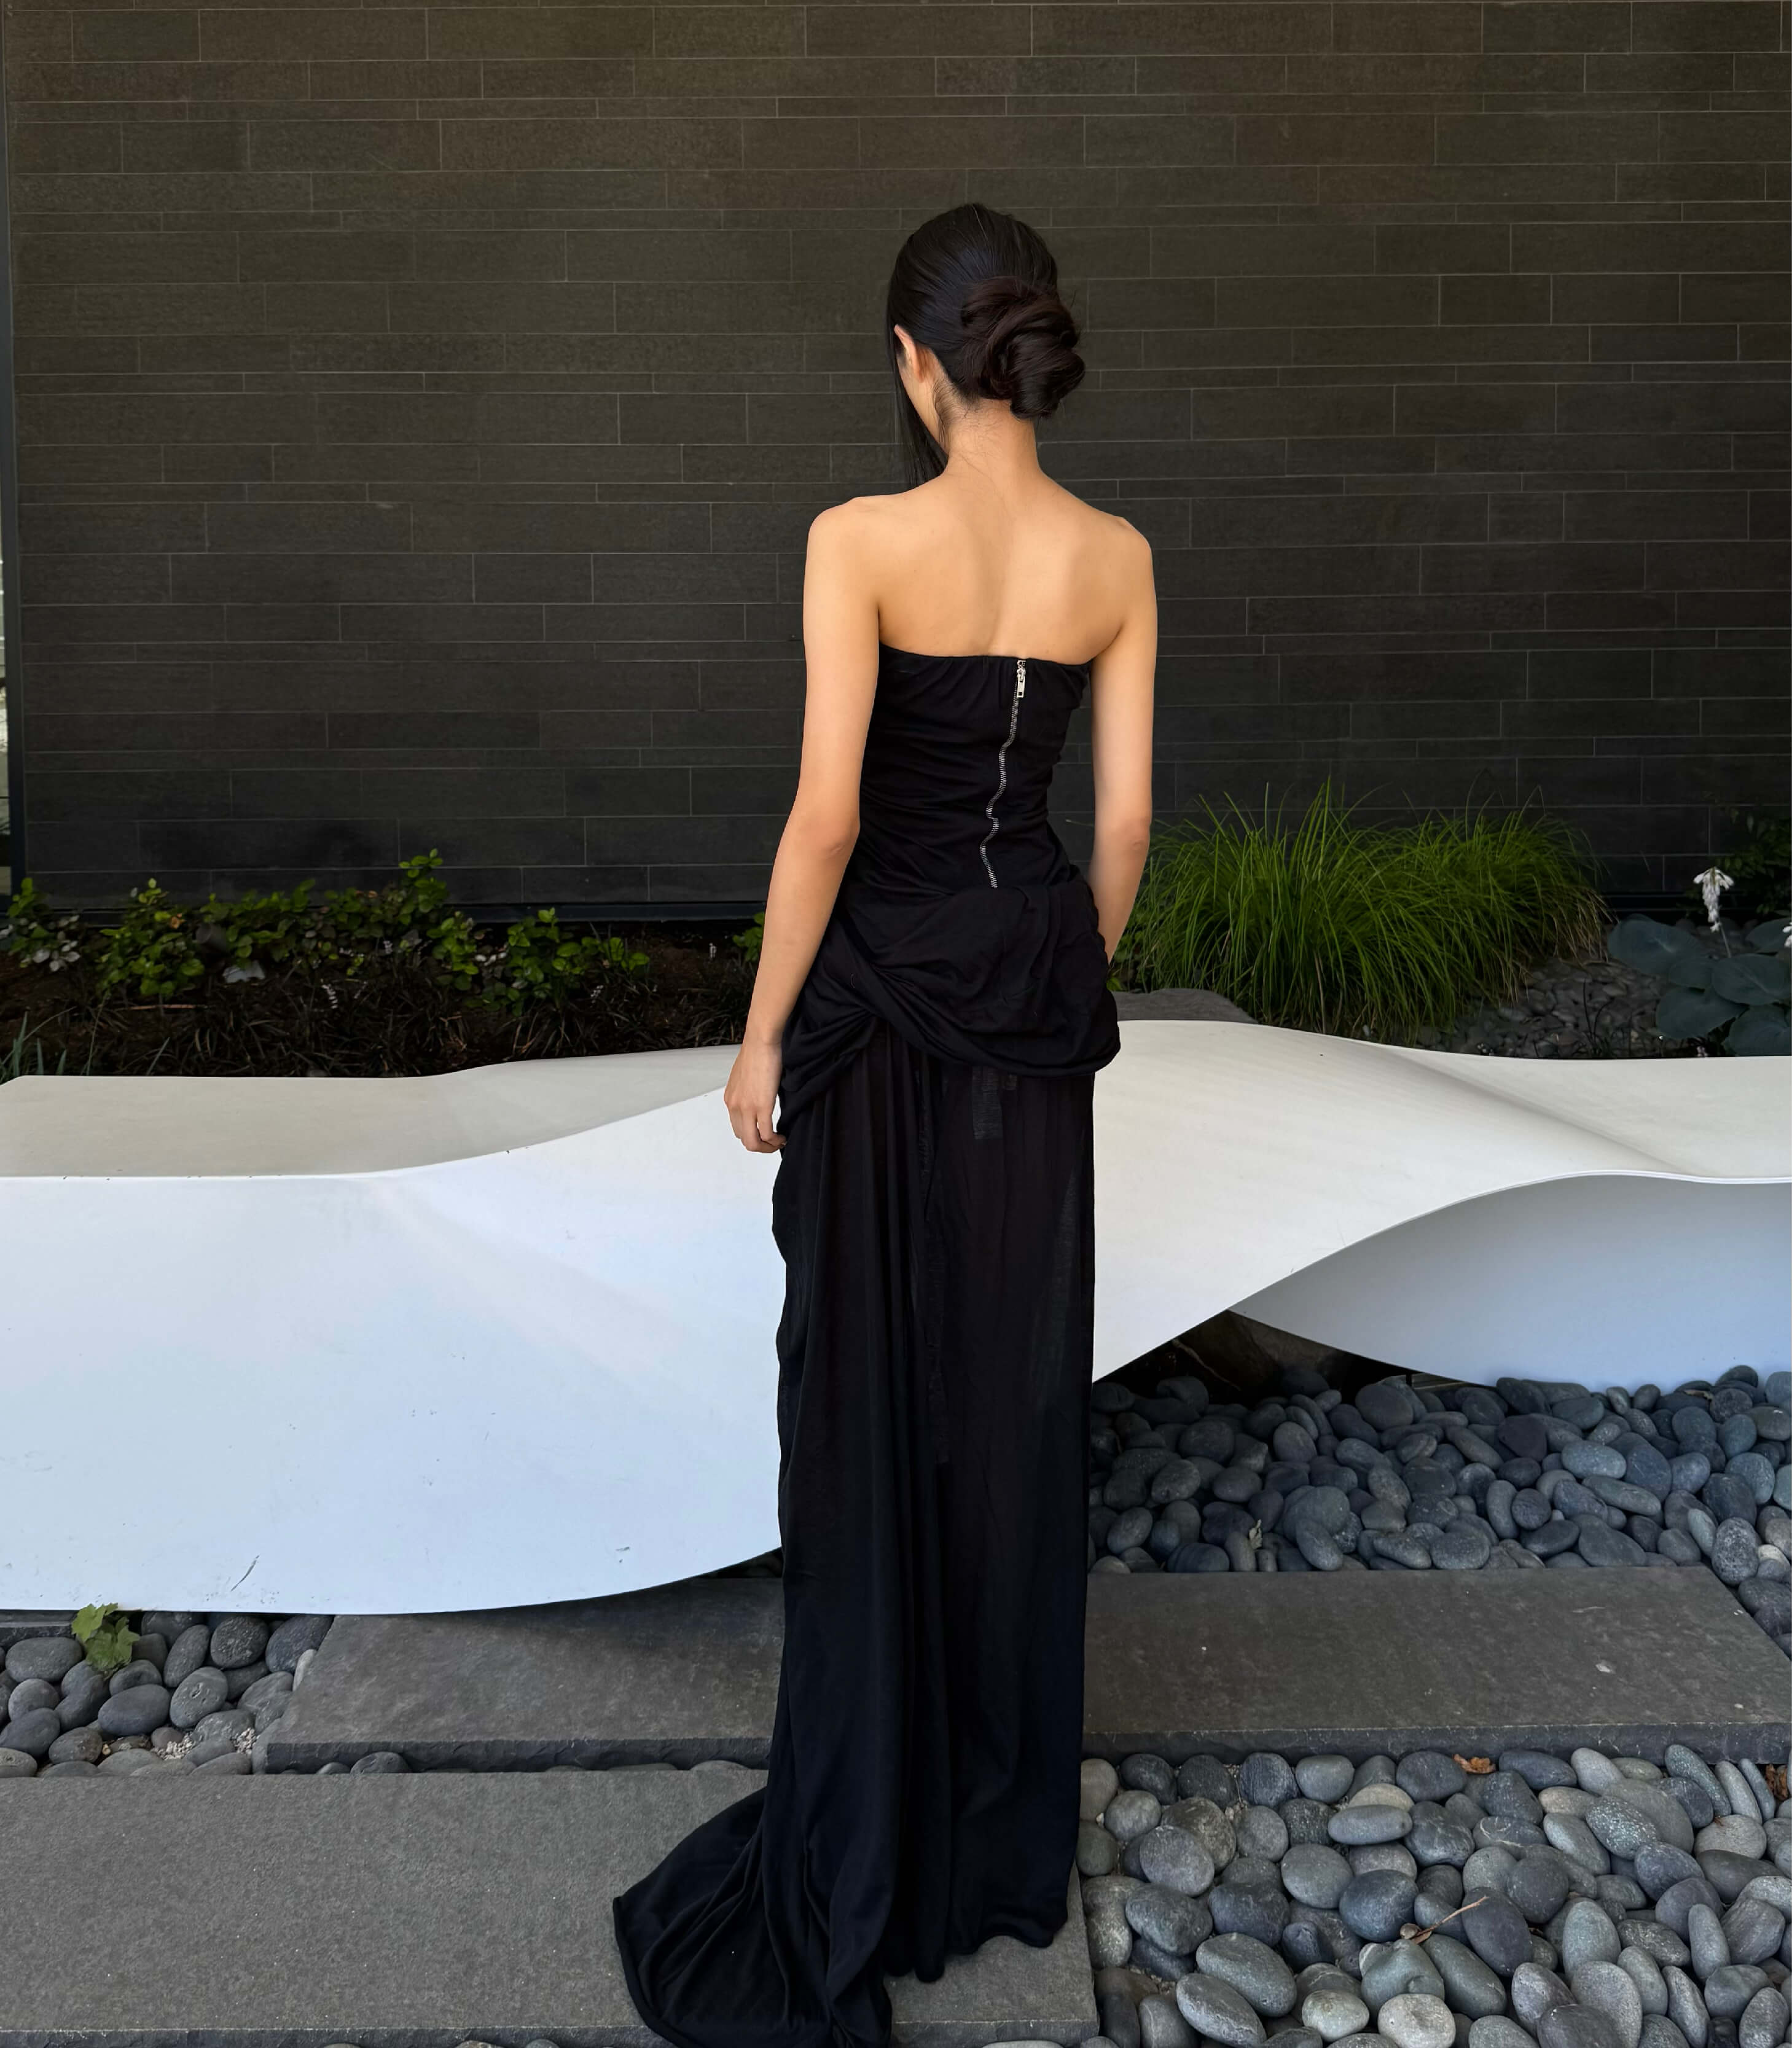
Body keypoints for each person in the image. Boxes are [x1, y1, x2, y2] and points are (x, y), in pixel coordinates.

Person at [611, 200, 1157, 2048]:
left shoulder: (860, 537)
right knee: (1006, 1401)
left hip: (875, 1006)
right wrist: (1053, 963)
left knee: (868, 1399)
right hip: (1023, 1000)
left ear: (917, 364)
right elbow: (1128, 832)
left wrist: (761, 1034)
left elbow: (828, 818)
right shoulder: (1118, 558)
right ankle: (998, 1841)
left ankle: (872, 1811)